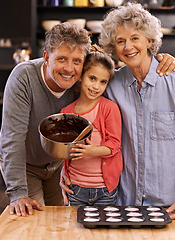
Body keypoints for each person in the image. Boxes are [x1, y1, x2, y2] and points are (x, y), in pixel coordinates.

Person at [0, 22, 175, 216]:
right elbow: (12, 139)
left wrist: (159, 60)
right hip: (26, 164)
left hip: (58, 164)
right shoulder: (23, 77)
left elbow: (110, 71)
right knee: (34, 220)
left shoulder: (82, 81)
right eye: (61, 59)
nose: (69, 68)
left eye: (76, 61)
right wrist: (17, 192)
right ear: (46, 57)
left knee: (58, 219)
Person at [62, 3, 175, 220]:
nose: (128, 46)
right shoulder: (111, 84)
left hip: (169, 202)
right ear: (114, 47)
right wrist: (64, 172)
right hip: (123, 200)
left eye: (135, 38)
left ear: (150, 40)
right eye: (120, 41)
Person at [61, 45, 122, 206]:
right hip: (75, 188)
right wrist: (62, 172)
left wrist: (92, 151)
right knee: (75, 230)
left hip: (104, 189)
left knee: (104, 231)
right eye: (92, 78)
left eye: (103, 82)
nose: (96, 87)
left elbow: (115, 144)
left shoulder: (109, 108)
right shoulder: (66, 112)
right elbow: (63, 150)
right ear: (81, 76)